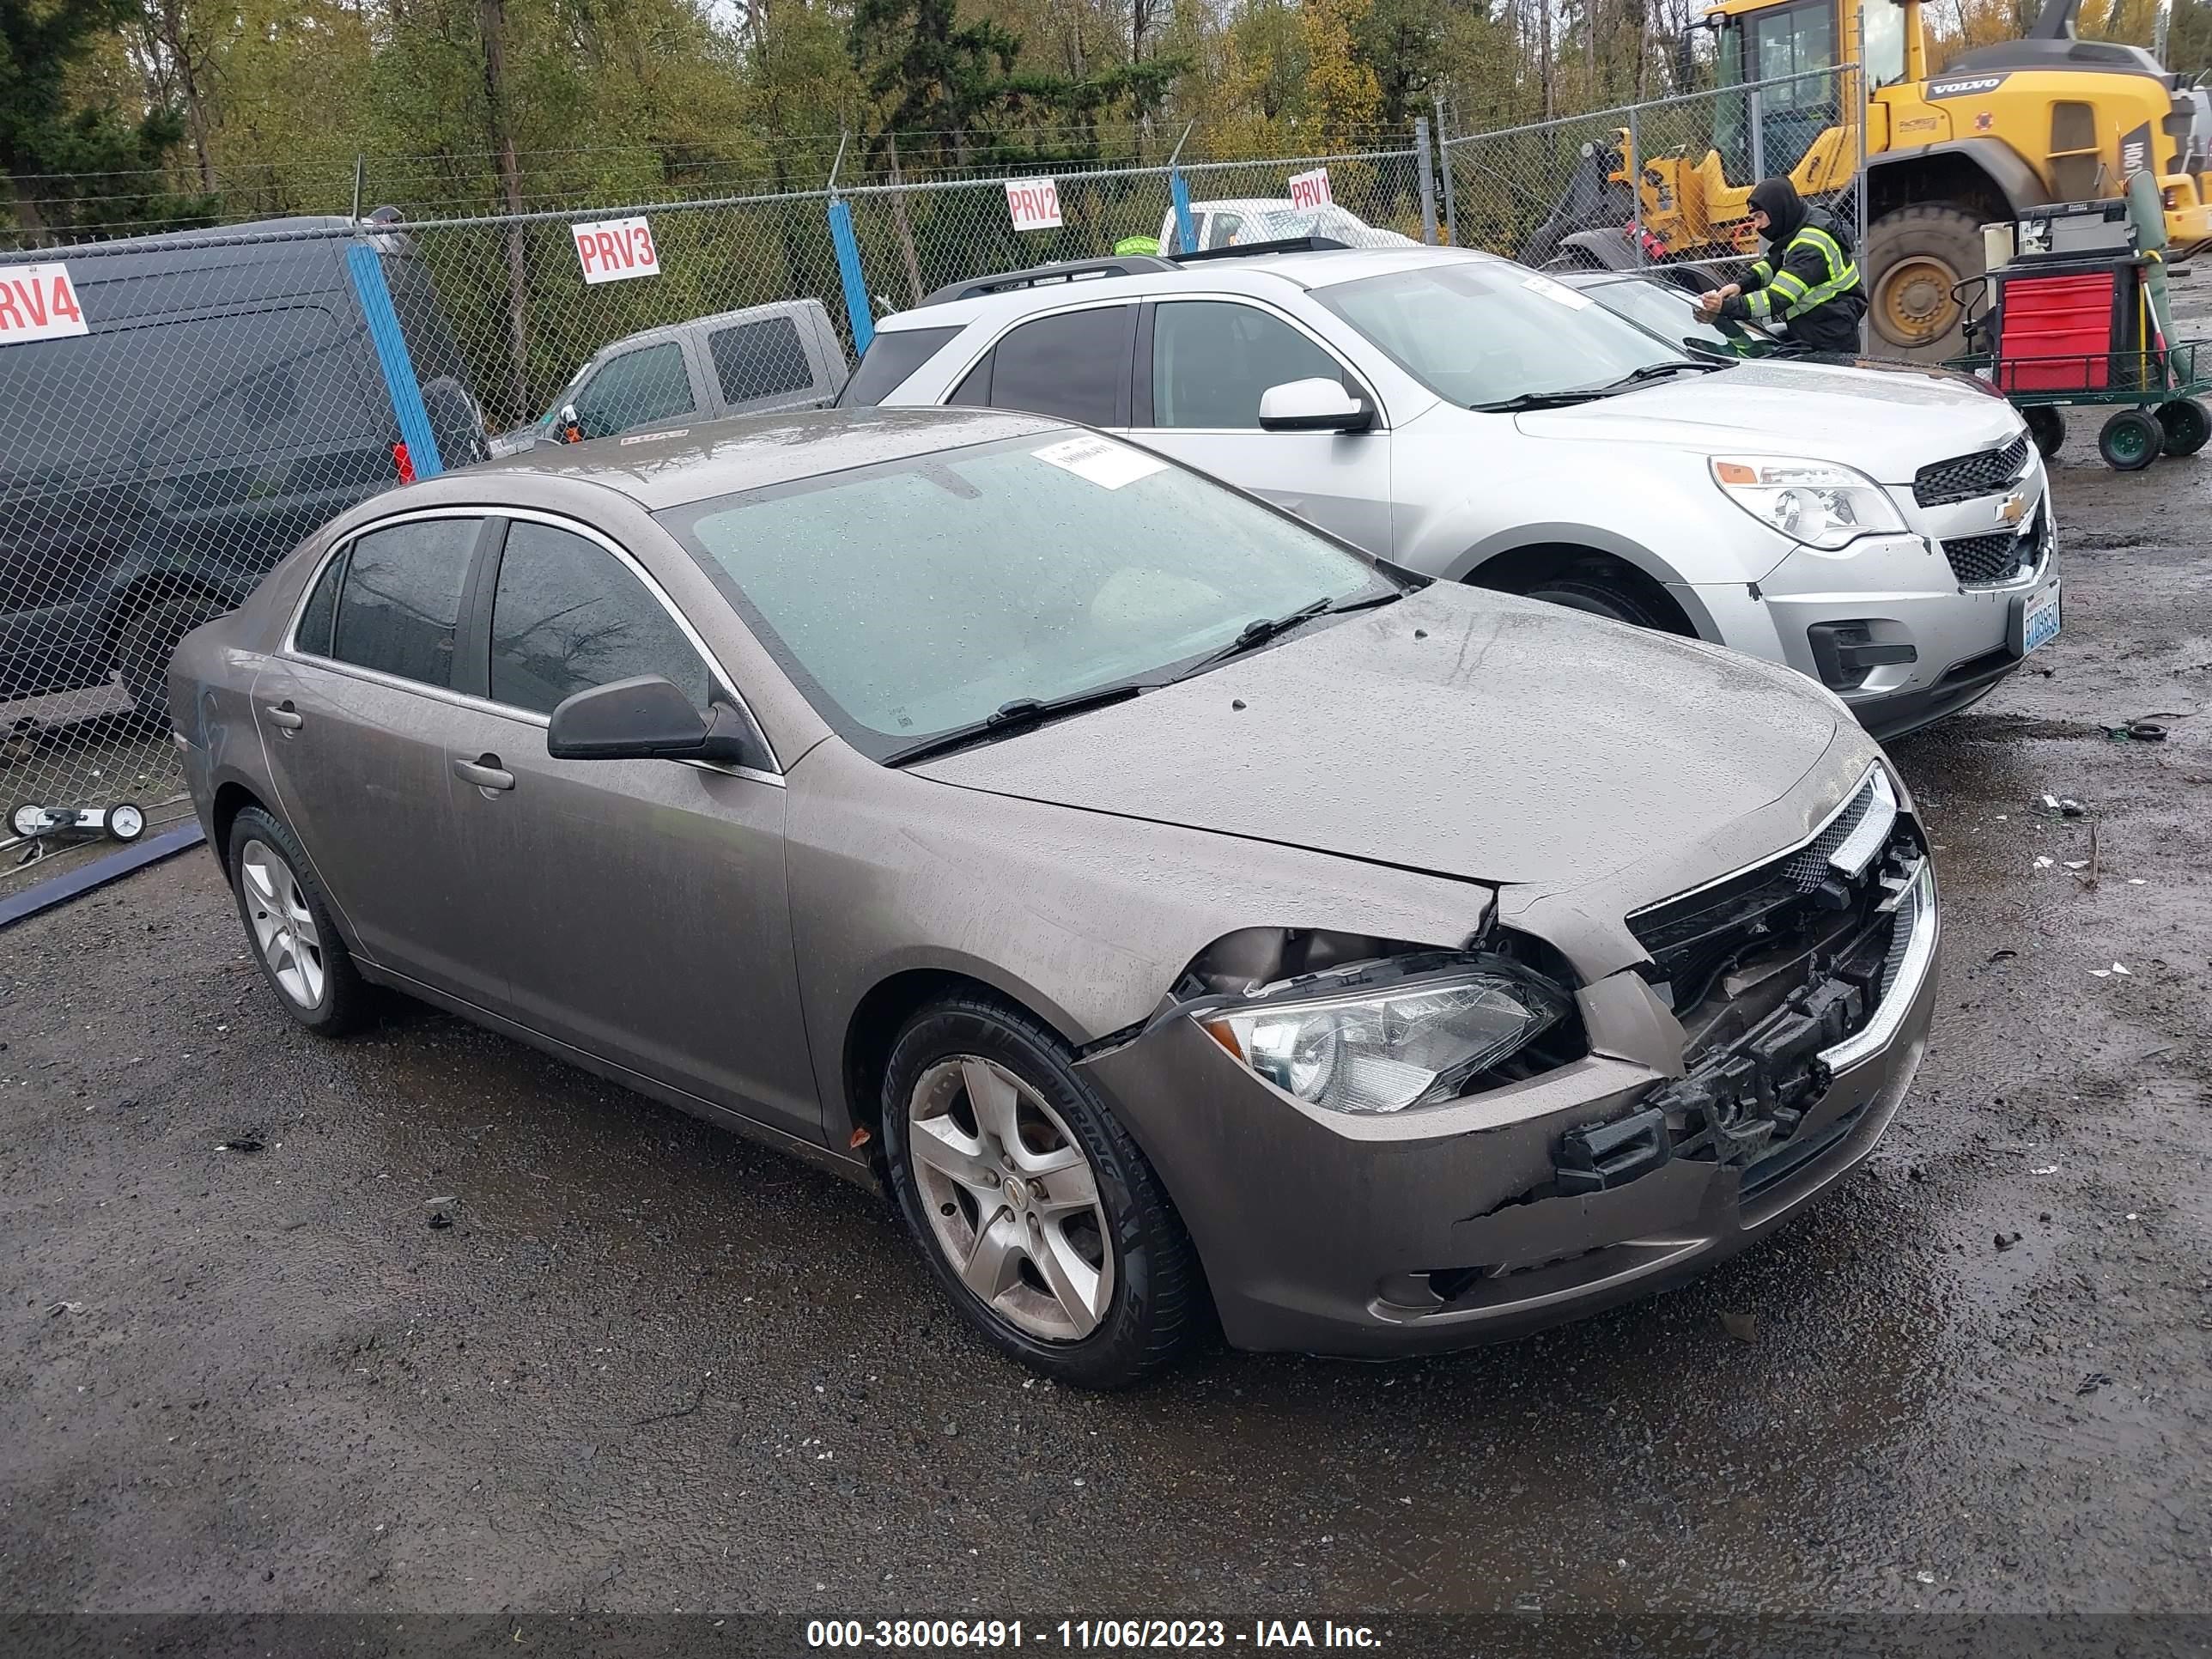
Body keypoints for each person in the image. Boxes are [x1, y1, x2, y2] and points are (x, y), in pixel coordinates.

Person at [1696, 177, 1866, 353]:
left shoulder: (1810, 245)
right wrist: (1740, 285)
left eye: (1759, 216)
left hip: (1830, 335)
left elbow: (1776, 298)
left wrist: (1725, 307)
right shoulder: (1798, 224)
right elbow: (1773, 263)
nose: (1757, 225)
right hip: (1821, 325)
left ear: (1777, 209)